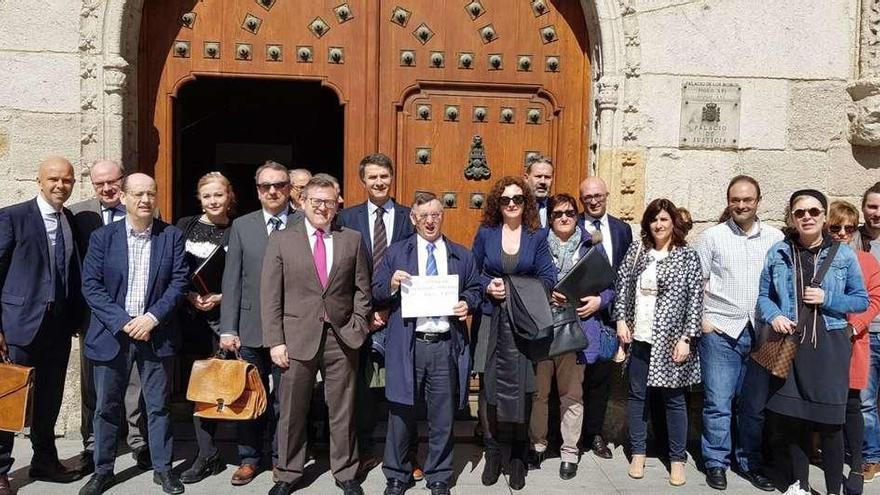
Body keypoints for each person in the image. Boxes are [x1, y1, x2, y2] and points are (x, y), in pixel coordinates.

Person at [79, 173, 188, 495]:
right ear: (123, 198)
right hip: (113, 334)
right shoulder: (103, 237)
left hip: (156, 333)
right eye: (138, 194)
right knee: (107, 407)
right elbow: (92, 286)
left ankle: (163, 469)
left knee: (158, 406)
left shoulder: (171, 236)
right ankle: (103, 470)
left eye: (151, 194)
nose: (145, 200)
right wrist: (124, 321)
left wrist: (152, 318)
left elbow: (179, 282)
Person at [263, 175, 372, 495]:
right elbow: (271, 295)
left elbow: (361, 290)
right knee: (292, 410)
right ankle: (287, 472)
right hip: (295, 339)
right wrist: (276, 341)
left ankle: (346, 471)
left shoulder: (351, 238)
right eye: (316, 202)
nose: (323, 208)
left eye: (329, 202)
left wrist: (359, 325)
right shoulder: (283, 239)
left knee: (343, 409)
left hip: (341, 338)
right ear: (301, 203)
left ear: (337, 204)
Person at [757, 189, 868, 495]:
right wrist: (775, 314)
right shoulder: (778, 252)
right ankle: (800, 484)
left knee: (831, 424)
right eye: (800, 212)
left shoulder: (843, 254)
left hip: (830, 345)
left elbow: (860, 301)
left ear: (823, 215)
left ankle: (833, 490)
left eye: (814, 212)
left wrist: (827, 297)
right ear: (791, 217)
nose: (807, 217)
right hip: (791, 344)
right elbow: (764, 296)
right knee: (794, 420)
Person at [373, 192, 482, 495]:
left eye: (435, 215)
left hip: (445, 344)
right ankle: (397, 474)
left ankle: (438, 475)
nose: (430, 221)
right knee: (400, 413)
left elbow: (475, 288)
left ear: (441, 216)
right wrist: (392, 284)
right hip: (409, 343)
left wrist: (467, 303)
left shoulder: (461, 254)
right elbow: (376, 291)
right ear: (413, 219)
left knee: (443, 415)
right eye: (424, 216)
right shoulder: (396, 253)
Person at [0, 157, 84, 494]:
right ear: (39, 181)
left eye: (67, 180)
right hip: (18, 325)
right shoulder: (13, 217)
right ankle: (1, 469)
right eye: (53, 179)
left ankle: (45, 460)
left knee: (50, 397)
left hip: (57, 327)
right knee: (7, 398)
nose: (60, 185)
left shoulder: (70, 221)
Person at [693, 175, 783, 491]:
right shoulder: (712, 237)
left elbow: (782, 284)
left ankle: (749, 463)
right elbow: (696, 283)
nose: (741, 205)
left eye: (747, 200)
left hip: (762, 332)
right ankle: (716, 463)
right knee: (718, 402)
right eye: (735, 200)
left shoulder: (775, 238)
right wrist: (702, 319)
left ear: (758, 201)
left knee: (753, 405)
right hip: (721, 330)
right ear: (728, 201)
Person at [218, 160, 302, 485]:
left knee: (286, 401)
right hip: (250, 328)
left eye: (279, 185)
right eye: (266, 186)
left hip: (291, 329)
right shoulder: (242, 225)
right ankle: (249, 458)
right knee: (249, 397)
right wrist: (229, 327)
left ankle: (283, 460)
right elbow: (232, 280)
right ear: (257, 190)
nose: (272, 191)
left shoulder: (302, 223)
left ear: (288, 188)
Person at [471, 176, 556, 491]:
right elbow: (473, 273)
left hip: (523, 324)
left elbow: (548, 277)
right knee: (488, 387)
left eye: (517, 199)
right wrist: (487, 287)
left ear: (526, 203)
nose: (511, 204)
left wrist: (514, 289)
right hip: (491, 320)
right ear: (497, 202)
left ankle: (519, 454)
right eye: (505, 199)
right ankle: (493, 452)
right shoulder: (486, 234)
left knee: (524, 386)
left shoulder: (536, 236)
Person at [70, 160, 153, 473]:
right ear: (92, 185)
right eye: (99, 184)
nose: (107, 189)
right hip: (93, 313)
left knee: (136, 382)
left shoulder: (145, 210)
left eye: (112, 182)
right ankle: (93, 445)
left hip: (134, 313)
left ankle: (138, 442)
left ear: (123, 180)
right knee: (93, 384)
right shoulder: (79, 214)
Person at [614, 198, 703, 487]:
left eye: (664, 219)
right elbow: (622, 285)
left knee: (675, 400)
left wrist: (686, 338)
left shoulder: (687, 256)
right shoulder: (637, 251)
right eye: (654, 219)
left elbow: (695, 300)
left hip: (671, 340)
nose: (659, 224)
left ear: (673, 222)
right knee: (638, 397)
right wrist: (620, 321)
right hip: (639, 336)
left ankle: (677, 460)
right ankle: (638, 453)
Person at [336, 153, 415, 473]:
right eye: (373, 177)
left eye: (384, 176)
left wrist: (387, 307)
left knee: (404, 386)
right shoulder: (348, 218)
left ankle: (407, 454)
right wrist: (366, 311)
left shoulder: (410, 217)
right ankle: (365, 448)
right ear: (363, 181)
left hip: (400, 312)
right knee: (363, 389)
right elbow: (342, 271)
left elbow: (415, 263)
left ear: (392, 177)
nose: (379, 182)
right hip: (361, 317)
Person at [528, 193, 614, 480]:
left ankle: (569, 452)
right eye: (557, 214)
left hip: (577, 329)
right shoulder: (538, 244)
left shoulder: (592, 245)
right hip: (544, 329)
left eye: (569, 213)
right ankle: (538, 444)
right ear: (549, 218)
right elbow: (527, 280)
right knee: (540, 393)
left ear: (577, 216)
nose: (564, 218)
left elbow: (609, 284)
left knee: (572, 394)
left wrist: (598, 301)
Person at [175, 172, 236, 484]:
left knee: (218, 387)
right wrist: (188, 294)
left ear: (229, 196)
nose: (213, 201)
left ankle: (218, 450)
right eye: (207, 196)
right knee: (194, 388)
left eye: (219, 195)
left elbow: (244, 275)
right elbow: (171, 268)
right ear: (200, 198)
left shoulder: (238, 229)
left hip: (222, 319)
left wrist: (221, 297)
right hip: (188, 318)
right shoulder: (184, 225)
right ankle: (206, 452)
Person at [577, 177, 633, 459]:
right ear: (581, 200)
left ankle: (594, 434)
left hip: (609, 316)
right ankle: (566, 435)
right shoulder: (570, 225)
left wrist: (612, 305)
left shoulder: (622, 229)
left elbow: (626, 274)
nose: (594, 200)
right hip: (577, 315)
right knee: (572, 378)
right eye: (588, 197)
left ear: (607, 195)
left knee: (600, 378)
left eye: (598, 195)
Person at [826, 200, 880, 494]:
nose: (843, 233)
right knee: (824, 401)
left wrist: (853, 326)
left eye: (849, 227)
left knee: (855, 403)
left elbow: (875, 299)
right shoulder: (817, 256)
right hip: (821, 343)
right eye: (836, 227)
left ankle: (858, 464)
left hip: (852, 340)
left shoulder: (866, 260)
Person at [856, 182, 880, 482]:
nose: (877, 212)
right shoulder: (854, 241)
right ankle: (872, 456)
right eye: (872, 206)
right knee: (865, 400)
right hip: (867, 332)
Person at [523, 154, 554, 228]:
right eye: (538, 176)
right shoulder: (516, 207)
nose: (542, 181)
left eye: (547, 177)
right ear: (526, 178)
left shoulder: (556, 207)